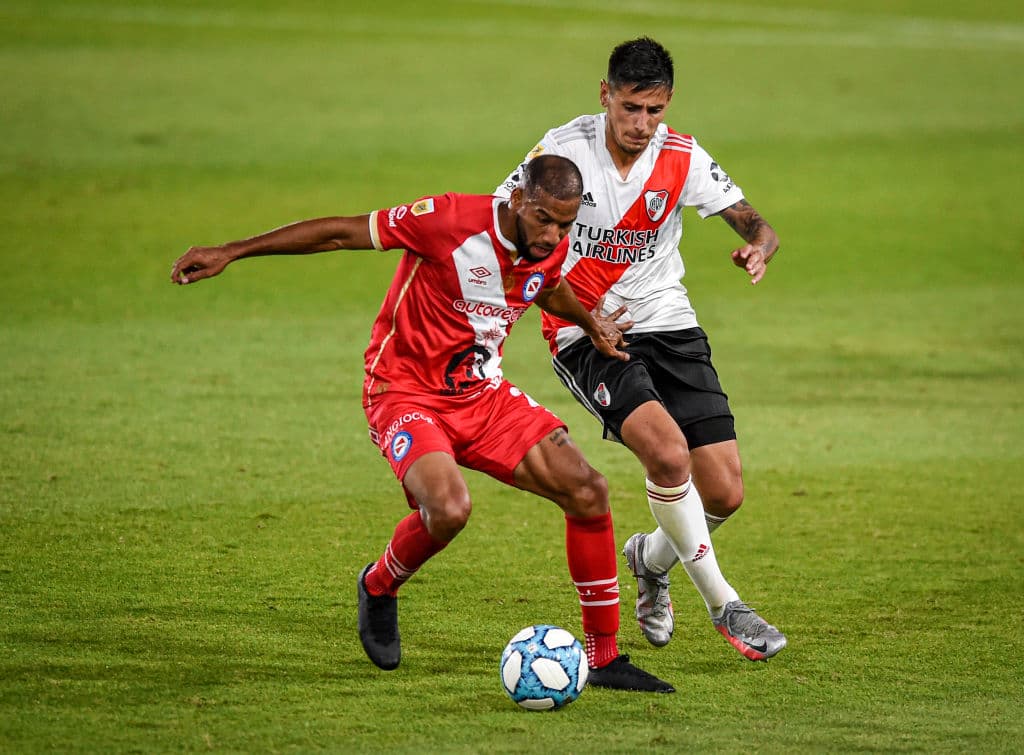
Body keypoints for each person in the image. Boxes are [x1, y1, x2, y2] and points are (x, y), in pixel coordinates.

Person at [170, 154, 674, 692]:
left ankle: (604, 657)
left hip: (480, 394)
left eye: (566, 224)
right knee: (450, 509)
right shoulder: (447, 221)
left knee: (588, 490)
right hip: (403, 390)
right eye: (544, 220)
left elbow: (546, 287)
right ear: (517, 201)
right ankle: (380, 585)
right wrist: (232, 251)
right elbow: (341, 233)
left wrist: (590, 322)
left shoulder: (547, 247)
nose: (554, 235)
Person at [495, 38, 786, 660]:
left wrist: (759, 248)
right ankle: (725, 605)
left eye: (654, 110)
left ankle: (650, 562)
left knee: (725, 494)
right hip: (584, 330)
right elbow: (506, 222)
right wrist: (569, 304)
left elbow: (758, 223)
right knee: (667, 453)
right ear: (605, 96)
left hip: (668, 320)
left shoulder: (681, 156)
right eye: (630, 108)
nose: (641, 124)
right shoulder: (560, 152)